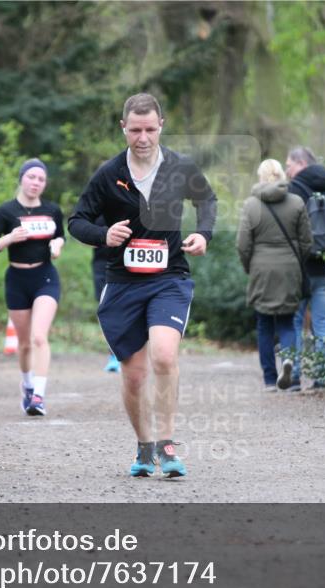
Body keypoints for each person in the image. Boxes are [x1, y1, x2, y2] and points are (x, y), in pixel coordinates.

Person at [69, 92, 217, 478]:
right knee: (134, 374)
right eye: (135, 130)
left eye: (150, 129)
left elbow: (207, 200)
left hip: (170, 277)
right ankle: (144, 445)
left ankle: (167, 446)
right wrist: (104, 235)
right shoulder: (108, 173)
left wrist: (204, 234)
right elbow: (77, 220)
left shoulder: (181, 167)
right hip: (122, 283)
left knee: (165, 356)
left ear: (161, 126)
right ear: (124, 128)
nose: (143, 137)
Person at [0, 158, 65, 416]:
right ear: (22, 179)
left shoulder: (52, 210)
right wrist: (8, 238)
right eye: (32, 177)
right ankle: (28, 385)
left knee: (39, 337)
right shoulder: (5, 212)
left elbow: (60, 234)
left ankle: (38, 397)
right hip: (17, 280)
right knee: (25, 343)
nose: (36, 183)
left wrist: (57, 245)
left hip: (45, 277)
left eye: (41, 179)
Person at [237, 159, 312, 391]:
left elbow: (242, 244)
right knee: (288, 321)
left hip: (261, 268)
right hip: (289, 268)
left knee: (264, 324)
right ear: (281, 175)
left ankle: (270, 379)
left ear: (261, 176)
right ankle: (289, 363)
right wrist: (298, 263)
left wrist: (250, 266)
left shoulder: (251, 205)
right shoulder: (297, 202)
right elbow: (307, 241)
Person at [286, 146, 325, 390]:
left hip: (298, 269)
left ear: (301, 163)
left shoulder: (292, 192)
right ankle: (324, 377)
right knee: (324, 321)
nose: (287, 170)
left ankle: (293, 377)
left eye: (289, 165)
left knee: (294, 321)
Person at [91, 238, 121, 373]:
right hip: (102, 266)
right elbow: (83, 232)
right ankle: (114, 355)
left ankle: (131, 351)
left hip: (128, 265)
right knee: (108, 311)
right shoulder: (96, 215)